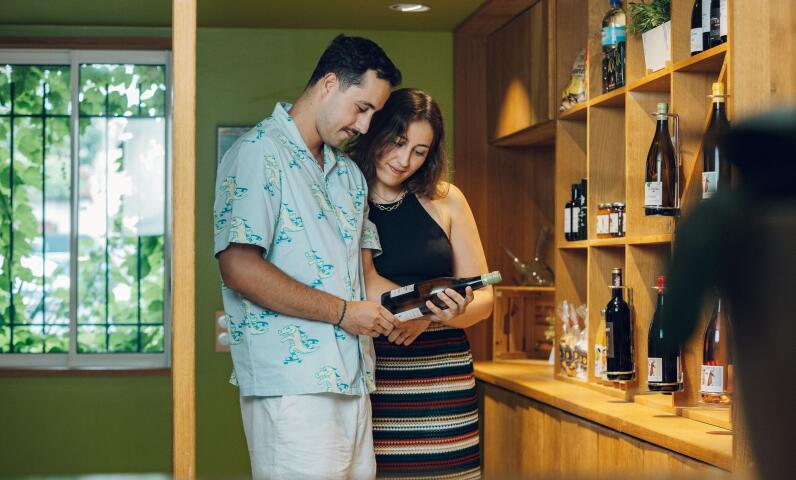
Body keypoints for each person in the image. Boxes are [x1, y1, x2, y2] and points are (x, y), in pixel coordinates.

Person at [213, 35, 402, 480]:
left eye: (373, 114)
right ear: (329, 83)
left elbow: (363, 278)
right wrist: (343, 313)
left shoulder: (349, 175)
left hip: (355, 381)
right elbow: (238, 267)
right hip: (292, 390)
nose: (365, 126)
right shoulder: (259, 152)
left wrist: (424, 303)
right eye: (361, 108)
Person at [349, 88, 495, 480]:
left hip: (444, 382)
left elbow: (484, 297)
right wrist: (415, 311)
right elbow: (360, 284)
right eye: (398, 143)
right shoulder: (345, 195)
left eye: (419, 151)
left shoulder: (448, 199)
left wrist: (429, 317)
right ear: (375, 130)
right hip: (376, 376)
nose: (404, 161)